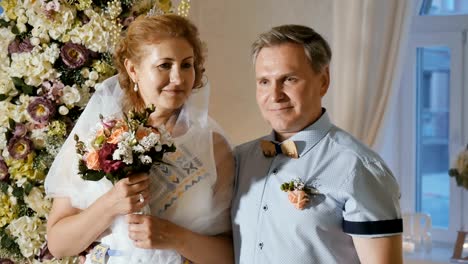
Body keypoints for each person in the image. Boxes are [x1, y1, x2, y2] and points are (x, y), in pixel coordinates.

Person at [45, 14, 235, 264]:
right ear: (133, 70)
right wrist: (110, 204)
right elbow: (58, 244)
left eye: (186, 65)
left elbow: (231, 254)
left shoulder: (214, 147)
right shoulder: (97, 137)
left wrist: (174, 237)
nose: (178, 79)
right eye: (164, 65)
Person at [231, 24, 403, 264]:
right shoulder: (240, 160)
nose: (275, 95)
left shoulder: (359, 167)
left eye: (289, 79)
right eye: (264, 82)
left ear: (323, 81)